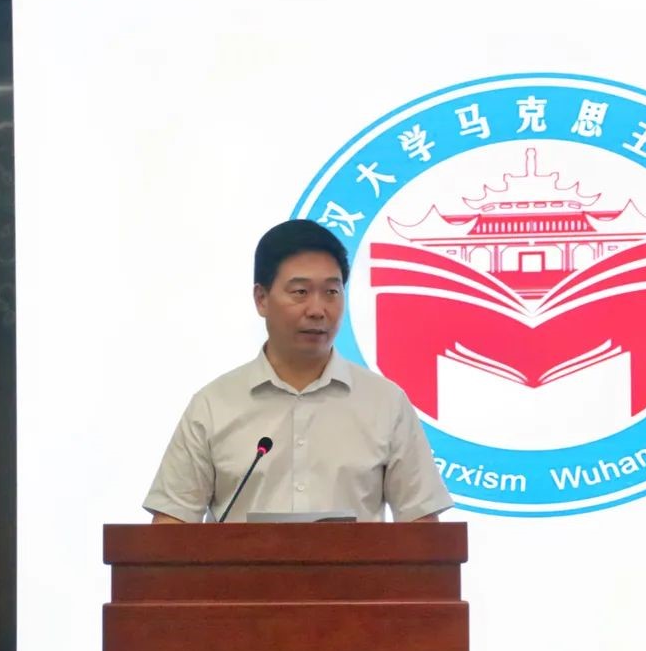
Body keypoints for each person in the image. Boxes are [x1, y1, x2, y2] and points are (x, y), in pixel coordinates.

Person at [143, 219, 453, 523]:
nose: (317, 310)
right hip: (240, 563)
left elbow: (422, 528)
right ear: (261, 299)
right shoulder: (213, 405)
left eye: (331, 292)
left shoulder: (385, 403)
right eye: (300, 292)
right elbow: (171, 527)